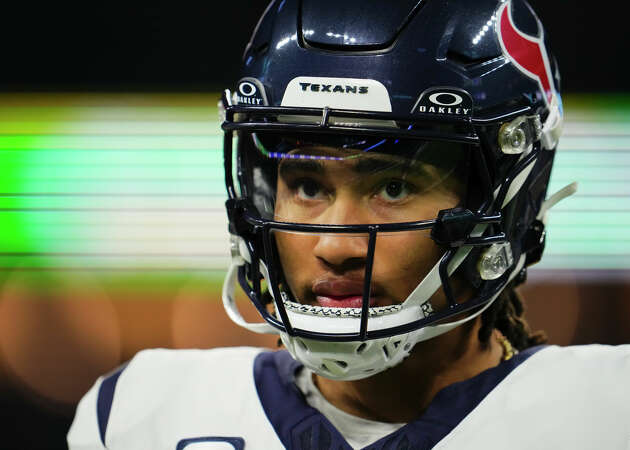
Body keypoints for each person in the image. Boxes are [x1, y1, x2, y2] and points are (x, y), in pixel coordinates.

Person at [68, 0, 630, 449]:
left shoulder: (607, 411)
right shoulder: (138, 416)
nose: (335, 246)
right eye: (308, 186)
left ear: (504, 201)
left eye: (393, 187)